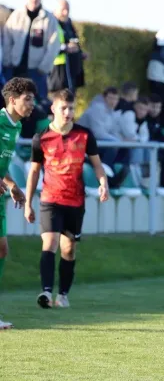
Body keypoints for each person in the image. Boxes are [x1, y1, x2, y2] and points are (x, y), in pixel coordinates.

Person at [24, 89, 109, 309]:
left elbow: (97, 165)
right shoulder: (40, 137)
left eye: (72, 108)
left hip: (75, 201)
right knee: (49, 242)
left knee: (68, 249)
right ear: (54, 109)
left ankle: (62, 294)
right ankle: (45, 292)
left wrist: (103, 183)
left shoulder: (85, 135)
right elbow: (34, 172)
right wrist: (27, 203)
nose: (68, 112)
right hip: (50, 198)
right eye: (64, 107)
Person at [0, 77, 34, 329]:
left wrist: (12, 185)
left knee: (2, 250)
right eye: (27, 99)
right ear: (13, 100)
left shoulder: (16, 126)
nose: (32, 104)